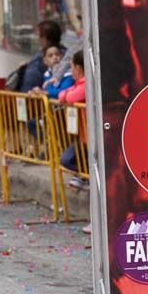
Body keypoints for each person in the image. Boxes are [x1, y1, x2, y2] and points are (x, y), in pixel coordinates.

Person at [59, 51, 87, 190]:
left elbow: (69, 97)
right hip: (82, 135)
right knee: (68, 158)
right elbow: (61, 94)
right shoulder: (78, 84)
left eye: (71, 67)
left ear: (79, 68)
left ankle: (87, 176)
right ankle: (84, 176)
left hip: (89, 135)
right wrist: (65, 95)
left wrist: (66, 95)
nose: (70, 71)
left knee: (67, 159)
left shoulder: (87, 84)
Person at [20, 20, 64, 93]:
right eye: (50, 55)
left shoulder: (40, 59)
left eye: (38, 35)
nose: (55, 57)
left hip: (39, 98)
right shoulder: (67, 54)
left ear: (44, 38)